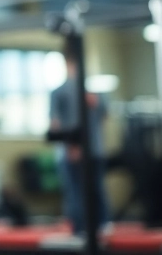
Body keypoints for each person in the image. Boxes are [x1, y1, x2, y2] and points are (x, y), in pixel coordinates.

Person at [49, 51, 110, 235]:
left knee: (96, 188)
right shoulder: (59, 92)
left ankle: (102, 225)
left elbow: (104, 116)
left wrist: (95, 103)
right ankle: (81, 229)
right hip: (71, 152)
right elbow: (56, 123)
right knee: (76, 192)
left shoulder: (94, 92)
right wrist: (71, 146)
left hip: (94, 150)